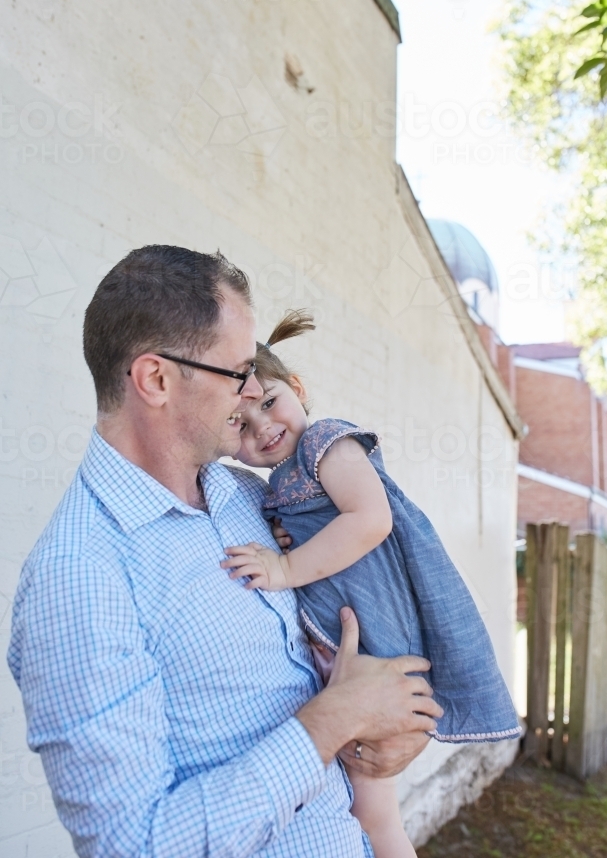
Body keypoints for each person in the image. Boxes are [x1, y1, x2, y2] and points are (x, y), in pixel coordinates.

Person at [7, 245, 443, 858]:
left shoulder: (251, 497)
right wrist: (334, 720)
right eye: (237, 372)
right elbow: (133, 845)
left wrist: (387, 729)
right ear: (156, 380)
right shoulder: (78, 577)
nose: (253, 389)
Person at [222, 310, 521, 858]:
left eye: (269, 402)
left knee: (375, 815)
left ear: (297, 389)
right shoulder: (276, 487)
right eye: (240, 424)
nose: (262, 426)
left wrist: (285, 568)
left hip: (380, 645)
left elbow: (370, 519)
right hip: (347, 653)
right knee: (356, 808)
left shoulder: (327, 444)